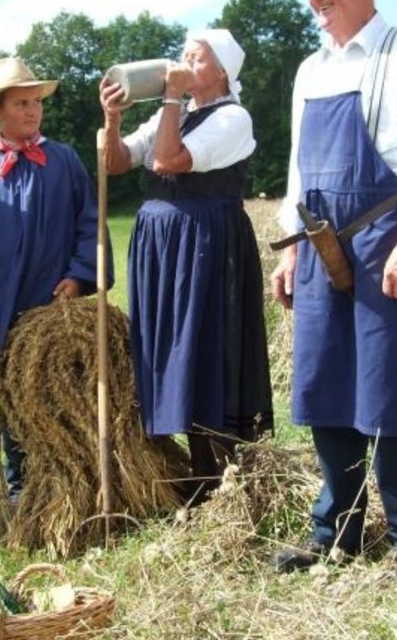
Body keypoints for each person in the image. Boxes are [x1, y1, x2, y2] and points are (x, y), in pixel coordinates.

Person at [269, 0, 397, 584]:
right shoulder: (310, 70)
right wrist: (291, 250)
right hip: (321, 243)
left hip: (387, 238)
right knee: (324, 385)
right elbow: (298, 170)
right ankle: (336, 532)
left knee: (392, 385)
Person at [99, 29, 274, 504]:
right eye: (184, 56)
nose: (182, 65)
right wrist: (113, 120)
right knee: (165, 348)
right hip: (161, 246)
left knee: (204, 347)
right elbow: (116, 163)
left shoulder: (233, 118)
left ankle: (218, 473)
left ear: (221, 72)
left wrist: (173, 96)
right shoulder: (169, 112)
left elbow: (168, 159)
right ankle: (180, 468)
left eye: (196, 59)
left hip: (206, 244)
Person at [0, 57, 109, 498]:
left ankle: (69, 474)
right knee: (13, 388)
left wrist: (79, 276)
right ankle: (20, 484)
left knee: (59, 385)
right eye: (20, 103)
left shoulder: (64, 161)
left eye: (36, 101)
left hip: (53, 301)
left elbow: (89, 223)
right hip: (1, 302)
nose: (32, 110)